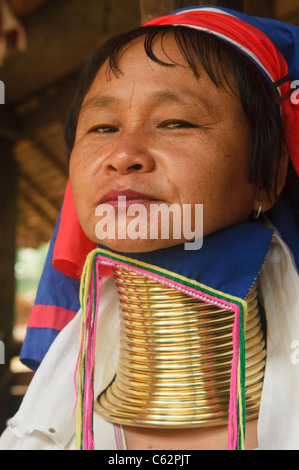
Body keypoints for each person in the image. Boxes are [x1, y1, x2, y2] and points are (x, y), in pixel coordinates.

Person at [1, 5, 299, 451]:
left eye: (175, 122)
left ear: (268, 175)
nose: (124, 154)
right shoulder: (51, 420)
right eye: (102, 127)